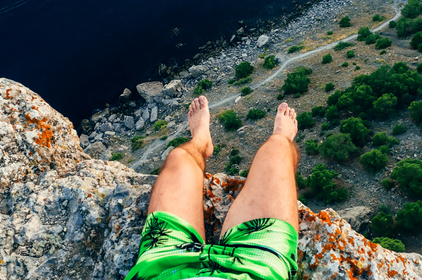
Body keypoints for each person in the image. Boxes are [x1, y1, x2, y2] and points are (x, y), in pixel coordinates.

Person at [125, 96, 300, 280]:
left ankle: (201, 140)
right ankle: (282, 135)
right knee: (279, 147)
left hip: (164, 273)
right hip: (255, 272)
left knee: (179, 158)